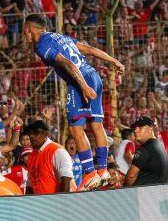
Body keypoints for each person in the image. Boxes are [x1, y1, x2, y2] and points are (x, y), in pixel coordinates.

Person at [24, 14, 125, 191]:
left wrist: (83, 86)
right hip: (94, 76)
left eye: (25, 30)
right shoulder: (61, 37)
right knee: (96, 125)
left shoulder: (42, 45)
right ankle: (102, 171)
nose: (24, 34)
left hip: (80, 81)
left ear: (30, 29)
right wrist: (114, 61)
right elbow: (91, 49)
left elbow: (68, 63)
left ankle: (89, 173)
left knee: (75, 128)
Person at [26, 120, 75, 194]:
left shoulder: (57, 151)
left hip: (57, 203)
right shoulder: (31, 156)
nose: (32, 136)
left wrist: (61, 203)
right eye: (30, 133)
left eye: (36, 132)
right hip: (40, 203)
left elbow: (66, 179)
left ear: (46, 134)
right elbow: (30, 185)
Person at [124, 116, 168, 186]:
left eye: (140, 127)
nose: (135, 131)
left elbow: (130, 176)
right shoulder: (159, 145)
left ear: (150, 129)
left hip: (144, 194)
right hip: (157, 192)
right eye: (135, 128)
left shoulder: (146, 148)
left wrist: (124, 189)